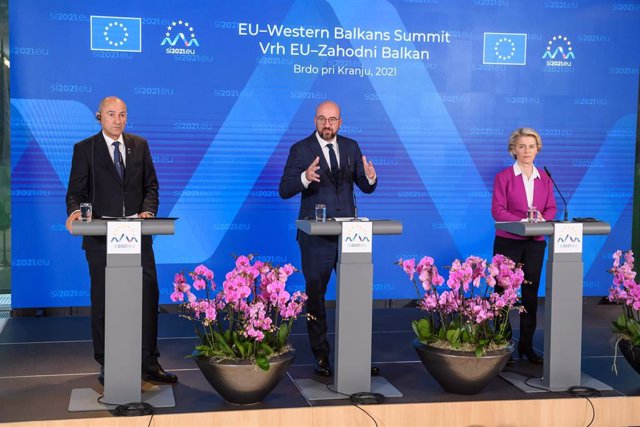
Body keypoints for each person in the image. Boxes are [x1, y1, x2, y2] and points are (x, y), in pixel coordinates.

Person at [65, 96, 177, 384]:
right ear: (99, 116)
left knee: (148, 297)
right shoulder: (85, 149)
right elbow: (75, 193)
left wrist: (148, 210)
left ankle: (148, 362)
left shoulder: (139, 145)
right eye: (112, 114)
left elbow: (151, 186)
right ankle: (108, 362)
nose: (118, 120)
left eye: (123, 115)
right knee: (104, 302)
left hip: (138, 237)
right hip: (101, 240)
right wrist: (76, 212)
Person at [279, 101, 377, 376]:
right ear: (315, 121)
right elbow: (284, 189)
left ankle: (355, 354)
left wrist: (370, 178)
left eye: (332, 120)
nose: (327, 124)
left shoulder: (351, 147)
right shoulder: (301, 149)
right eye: (322, 119)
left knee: (354, 295)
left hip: (350, 237)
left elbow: (365, 186)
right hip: (316, 237)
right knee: (316, 296)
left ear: (340, 123)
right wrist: (305, 177)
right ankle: (321, 355)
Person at [491, 127, 557, 364]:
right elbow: (497, 211)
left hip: (535, 244)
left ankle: (527, 346)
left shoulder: (545, 178)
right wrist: (520, 222)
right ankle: (503, 344)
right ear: (513, 150)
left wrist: (542, 220)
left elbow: (551, 208)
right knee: (503, 295)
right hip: (509, 242)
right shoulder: (503, 177)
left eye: (531, 146)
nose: (527, 151)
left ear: (537, 149)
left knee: (529, 297)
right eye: (522, 146)